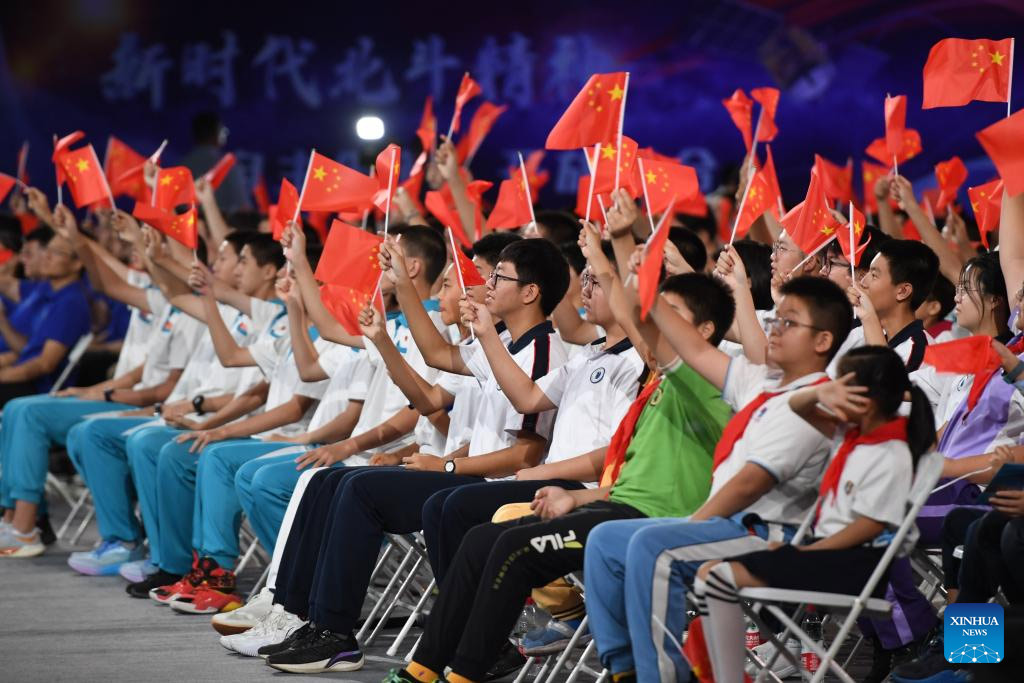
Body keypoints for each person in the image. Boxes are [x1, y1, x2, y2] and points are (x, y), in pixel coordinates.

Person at [262, 238, 570, 673]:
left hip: (494, 485)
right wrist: (403, 291)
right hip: (467, 473)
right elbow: (437, 355)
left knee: (362, 489)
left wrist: (445, 464)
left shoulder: (544, 351)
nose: (487, 283)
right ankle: (304, 616)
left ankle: (335, 632)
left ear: (530, 292)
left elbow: (525, 454)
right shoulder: (504, 341)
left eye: (498, 277)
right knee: (339, 481)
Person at [583, 275, 853, 683]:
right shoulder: (762, 383)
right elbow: (690, 346)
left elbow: (750, 484)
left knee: (653, 547)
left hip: (769, 536)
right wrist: (649, 290)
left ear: (822, 341)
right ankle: (625, 670)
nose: (773, 330)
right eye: (775, 320)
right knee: (605, 540)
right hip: (730, 526)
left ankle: (662, 677)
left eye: (789, 323)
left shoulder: (818, 403)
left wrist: (693, 524)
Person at [696, 346, 934, 683]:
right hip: (833, 556)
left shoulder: (889, 451)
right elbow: (797, 406)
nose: (831, 393)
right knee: (711, 572)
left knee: (715, 575)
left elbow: (870, 526)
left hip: (852, 565)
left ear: (862, 399)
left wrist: (804, 552)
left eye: (840, 386)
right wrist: (821, 391)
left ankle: (726, 676)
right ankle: (724, 673)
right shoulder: (852, 439)